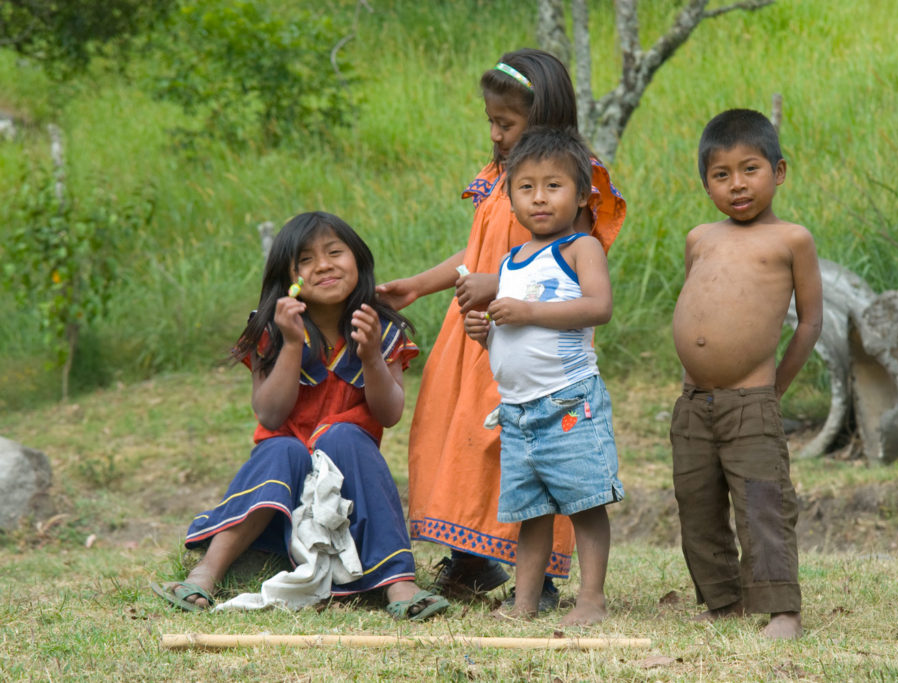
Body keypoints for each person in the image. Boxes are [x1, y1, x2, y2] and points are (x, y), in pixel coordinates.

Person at [377, 48, 626, 607]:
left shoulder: (566, 182)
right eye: (490, 120)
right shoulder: (502, 176)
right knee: (465, 443)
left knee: (518, 450)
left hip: (531, 344)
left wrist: (501, 289)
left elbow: (564, 266)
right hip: (476, 336)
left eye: (505, 123)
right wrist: (418, 284)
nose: (494, 133)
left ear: (540, 121)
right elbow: (478, 250)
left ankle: (543, 580)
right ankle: (473, 561)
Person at [151, 211, 448, 621]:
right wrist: (292, 345)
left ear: (359, 261)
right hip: (282, 493)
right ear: (287, 279)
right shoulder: (270, 330)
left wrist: (371, 357)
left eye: (335, 252)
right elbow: (271, 415)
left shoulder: (381, 328)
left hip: (347, 488)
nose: (323, 265)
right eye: (305, 260)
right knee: (283, 449)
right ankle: (207, 573)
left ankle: (400, 582)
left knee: (344, 435)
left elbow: (390, 413)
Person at [671, 109, 823, 639]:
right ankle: (722, 600)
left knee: (763, 502)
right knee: (696, 502)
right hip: (694, 402)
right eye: (721, 174)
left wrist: (775, 387)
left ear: (778, 172)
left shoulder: (791, 240)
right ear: (706, 183)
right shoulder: (699, 238)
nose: (737, 184)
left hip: (751, 401)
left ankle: (783, 610)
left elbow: (809, 323)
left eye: (750, 169)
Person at [465, 126, 623, 626]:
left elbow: (598, 307)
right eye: (526, 187)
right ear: (509, 198)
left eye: (553, 186)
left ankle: (591, 599)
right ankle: (524, 603)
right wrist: (483, 333)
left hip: (568, 401)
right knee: (530, 511)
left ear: (581, 195)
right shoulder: (511, 262)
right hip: (518, 410)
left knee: (585, 502)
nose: (539, 198)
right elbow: (514, 337)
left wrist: (527, 311)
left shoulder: (582, 248)